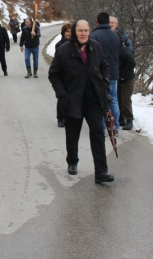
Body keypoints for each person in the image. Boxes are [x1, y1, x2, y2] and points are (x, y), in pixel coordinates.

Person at [49, 20, 114, 183]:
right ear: (74, 32)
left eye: (86, 30)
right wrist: (62, 95)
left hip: (94, 100)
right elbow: (54, 74)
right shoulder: (64, 50)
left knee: (98, 133)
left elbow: (104, 66)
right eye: (80, 31)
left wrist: (105, 81)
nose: (83, 33)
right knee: (72, 135)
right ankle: (72, 161)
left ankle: (101, 172)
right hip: (73, 100)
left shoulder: (96, 47)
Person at [90, 12, 121, 131]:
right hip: (113, 71)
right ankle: (115, 127)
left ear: (97, 21)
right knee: (113, 100)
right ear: (109, 22)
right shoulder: (115, 35)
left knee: (100, 101)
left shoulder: (94, 35)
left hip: (100, 73)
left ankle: (102, 128)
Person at [55, 23, 72, 127]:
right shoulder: (59, 44)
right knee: (62, 97)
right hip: (63, 73)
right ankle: (60, 118)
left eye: (71, 31)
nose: (69, 34)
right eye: (67, 31)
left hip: (73, 74)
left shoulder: (77, 43)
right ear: (63, 33)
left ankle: (69, 117)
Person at [117, 32, 136, 130]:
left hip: (127, 79)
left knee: (125, 100)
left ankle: (129, 119)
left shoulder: (123, 50)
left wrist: (124, 75)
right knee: (118, 98)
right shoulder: (115, 49)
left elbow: (132, 62)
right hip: (118, 77)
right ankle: (121, 118)